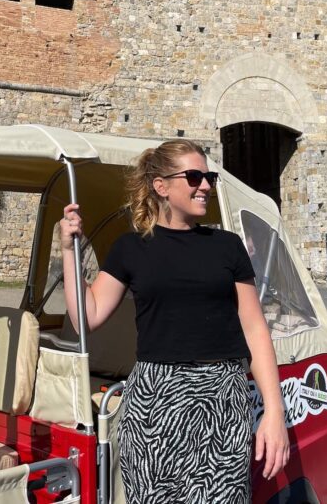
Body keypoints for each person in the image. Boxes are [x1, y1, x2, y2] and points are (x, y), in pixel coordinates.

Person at [59, 139, 288, 503]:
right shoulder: (130, 248)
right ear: (161, 186)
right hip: (154, 401)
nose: (206, 186)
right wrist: (68, 251)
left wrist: (274, 413)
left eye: (208, 177)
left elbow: (255, 329)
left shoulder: (227, 246)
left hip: (222, 399)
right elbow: (87, 315)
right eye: (194, 177)